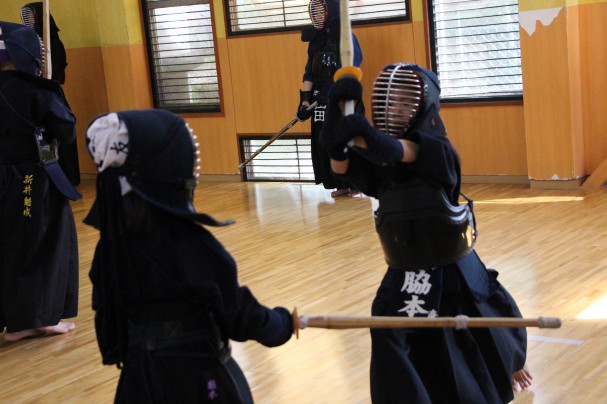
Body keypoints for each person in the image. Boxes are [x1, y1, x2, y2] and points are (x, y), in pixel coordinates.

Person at [319, 63, 529, 403]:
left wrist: (366, 137)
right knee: (393, 343)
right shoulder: (383, 166)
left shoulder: (439, 151)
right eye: (388, 103)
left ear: (423, 106)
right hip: (404, 272)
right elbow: (343, 169)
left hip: (452, 269)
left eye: (404, 102)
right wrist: (337, 137)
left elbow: (403, 151)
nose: (394, 110)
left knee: (483, 335)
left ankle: (508, 366)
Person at [84, 109, 294, 403]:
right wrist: (280, 324)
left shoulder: (110, 248)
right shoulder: (191, 244)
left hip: (138, 384)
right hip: (199, 381)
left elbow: (108, 321)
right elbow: (237, 314)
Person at [0, 21, 80, 341]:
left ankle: (14, 321)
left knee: (8, 246)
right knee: (43, 244)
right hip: (33, 177)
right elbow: (67, 131)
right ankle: (37, 319)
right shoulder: (37, 91)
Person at [297, 0, 363, 197]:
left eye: (321, 11)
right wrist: (305, 100)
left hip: (343, 99)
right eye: (314, 12)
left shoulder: (347, 38)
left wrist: (335, 93)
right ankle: (338, 184)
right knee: (323, 139)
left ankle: (356, 184)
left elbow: (351, 69)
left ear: (332, 11)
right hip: (319, 97)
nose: (317, 15)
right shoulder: (315, 40)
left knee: (344, 138)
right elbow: (309, 71)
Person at [21, 2, 80, 186]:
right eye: (25, 18)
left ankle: (68, 178)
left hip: (52, 97)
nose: (27, 23)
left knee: (60, 136)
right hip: (37, 98)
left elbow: (55, 76)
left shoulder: (54, 44)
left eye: (31, 18)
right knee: (42, 139)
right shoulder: (30, 45)